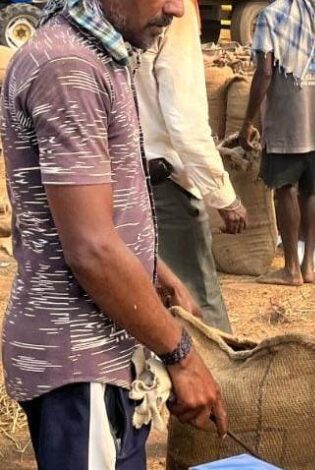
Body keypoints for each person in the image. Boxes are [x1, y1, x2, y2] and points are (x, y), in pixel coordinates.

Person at [1, 0, 228, 468]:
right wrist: (180, 354)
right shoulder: (70, 69)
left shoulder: (100, 55)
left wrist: (154, 269)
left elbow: (92, 217)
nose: (175, 9)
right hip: (80, 364)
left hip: (100, 356)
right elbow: (91, 249)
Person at [136, 0, 247, 333]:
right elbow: (185, 122)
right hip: (162, 185)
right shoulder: (175, 11)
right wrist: (225, 197)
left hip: (119, 179)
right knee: (199, 306)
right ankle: (222, 383)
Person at [239, 0, 315, 286]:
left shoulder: (272, 16)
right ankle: (308, 267)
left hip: (287, 120)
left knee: (285, 190)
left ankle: (290, 269)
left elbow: (266, 71)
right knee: (311, 192)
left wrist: (248, 121)